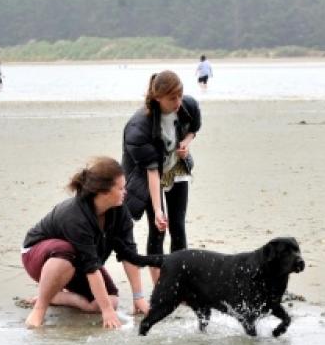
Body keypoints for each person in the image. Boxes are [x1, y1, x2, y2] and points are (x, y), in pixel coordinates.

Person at [21, 156, 161, 328]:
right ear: (103, 192)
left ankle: (56, 297)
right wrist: (107, 312)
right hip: (37, 256)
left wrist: (137, 297)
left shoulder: (120, 211)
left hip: (80, 261)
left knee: (110, 300)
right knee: (65, 250)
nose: (126, 192)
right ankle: (39, 308)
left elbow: (129, 254)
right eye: (121, 188)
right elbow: (91, 268)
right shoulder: (74, 216)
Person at [122, 70, 202, 284]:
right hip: (148, 174)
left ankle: (180, 283)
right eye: (172, 98)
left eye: (180, 95)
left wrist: (186, 142)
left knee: (178, 226)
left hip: (176, 168)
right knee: (158, 228)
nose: (178, 102)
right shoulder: (140, 126)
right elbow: (151, 170)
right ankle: (159, 285)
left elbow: (194, 128)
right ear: (157, 98)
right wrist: (158, 210)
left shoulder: (188, 105)